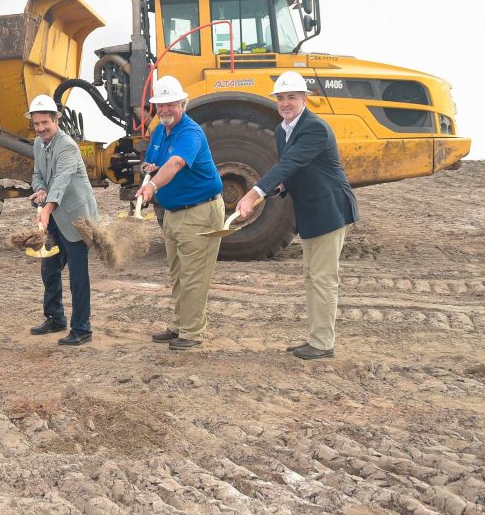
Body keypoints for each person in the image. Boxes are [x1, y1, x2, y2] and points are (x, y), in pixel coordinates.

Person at [235, 71, 359, 360]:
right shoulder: (283, 130)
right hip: (312, 210)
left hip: (330, 209)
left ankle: (323, 344)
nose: (285, 103)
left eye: (292, 97)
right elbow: (291, 170)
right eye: (281, 98)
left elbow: (291, 162)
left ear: (304, 99)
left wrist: (254, 194)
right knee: (311, 276)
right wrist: (278, 187)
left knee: (323, 278)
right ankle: (316, 339)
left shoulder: (314, 128)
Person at [135, 75, 225, 351]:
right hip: (173, 212)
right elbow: (153, 162)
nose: (165, 110)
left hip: (200, 211)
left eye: (170, 104)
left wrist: (150, 187)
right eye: (160, 105)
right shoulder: (161, 130)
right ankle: (179, 324)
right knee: (178, 272)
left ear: (183, 104)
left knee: (194, 274)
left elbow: (174, 164)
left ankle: (192, 331)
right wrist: (146, 171)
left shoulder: (190, 133)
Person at [26, 94, 99, 346]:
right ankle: (55, 317)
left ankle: (82, 328)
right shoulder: (38, 143)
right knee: (49, 267)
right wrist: (40, 189)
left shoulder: (67, 146)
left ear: (56, 119)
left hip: (77, 217)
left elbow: (62, 180)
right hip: (54, 212)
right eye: (36, 124)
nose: (41, 128)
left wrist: (45, 208)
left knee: (78, 275)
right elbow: (39, 174)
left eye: (45, 122)